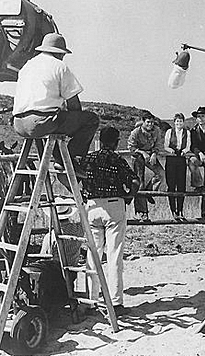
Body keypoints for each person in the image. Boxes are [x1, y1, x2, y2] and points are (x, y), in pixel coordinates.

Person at [12, 33, 99, 177]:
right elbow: (74, 104)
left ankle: (60, 159)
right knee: (91, 119)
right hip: (41, 123)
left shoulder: (27, 65)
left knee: (55, 124)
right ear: (60, 53)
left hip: (19, 124)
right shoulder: (59, 66)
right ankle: (70, 160)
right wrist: (75, 120)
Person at [80, 126, 140, 317]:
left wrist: (81, 196)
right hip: (114, 205)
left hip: (92, 206)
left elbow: (68, 175)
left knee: (93, 254)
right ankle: (115, 303)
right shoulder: (118, 159)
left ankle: (91, 301)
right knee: (114, 255)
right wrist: (129, 197)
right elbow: (135, 182)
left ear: (100, 139)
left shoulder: (88, 158)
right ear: (115, 142)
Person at [127, 111, 165, 221]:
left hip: (150, 156)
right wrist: (142, 153)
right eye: (148, 122)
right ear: (143, 122)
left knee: (161, 174)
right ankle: (142, 212)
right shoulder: (136, 132)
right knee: (140, 183)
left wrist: (154, 153)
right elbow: (131, 147)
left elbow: (158, 144)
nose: (150, 125)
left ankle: (150, 191)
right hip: (138, 157)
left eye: (152, 122)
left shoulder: (156, 131)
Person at [164, 112, 191, 220]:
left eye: (181, 121)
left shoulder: (187, 132)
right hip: (171, 159)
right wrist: (170, 149)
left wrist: (185, 150)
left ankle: (180, 210)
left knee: (181, 185)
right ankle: (173, 211)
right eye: (177, 121)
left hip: (181, 159)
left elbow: (188, 145)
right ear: (174, 122)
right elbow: (165, 145)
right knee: (171, 185)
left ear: (183, 122)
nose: (179, 123)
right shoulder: (169, 132)